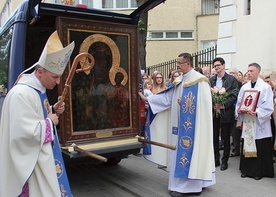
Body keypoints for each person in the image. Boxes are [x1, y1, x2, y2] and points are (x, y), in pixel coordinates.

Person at [0, 31, 75, 196]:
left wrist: (52, 110)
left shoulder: (37, 90)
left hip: (41, 157)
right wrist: (50, 122)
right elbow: (22, 134)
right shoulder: (21, 94)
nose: (57, 82)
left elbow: (35, 116)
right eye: (54, 77)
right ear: (40, 72)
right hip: (30, 165)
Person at [138, 52, 215, 196]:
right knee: (179, 154)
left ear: (188, 63)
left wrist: (185, 102)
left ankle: (187, 188)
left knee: (192, 153)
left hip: (194, 128)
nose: (177, 65)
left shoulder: (200, 81)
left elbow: (204, 105)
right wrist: (148, 99)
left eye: (180, 63)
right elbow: (167, 98)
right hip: (178, 127)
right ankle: (186, 184)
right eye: (177, 62)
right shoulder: (179, 80)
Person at [236, 63, 274, 180]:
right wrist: (239, 111)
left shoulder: (265, 87)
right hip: (247, 120)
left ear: (258, 72)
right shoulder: (244, 87)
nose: (248, 73)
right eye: (248, 71)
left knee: (259, 145)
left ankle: (259, 172)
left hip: (258, 122)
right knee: (247, 143)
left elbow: (268, 106)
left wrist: (257, 112)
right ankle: (246, 170)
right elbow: (239, 102)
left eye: (251, 71)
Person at [210, 57, 239, 171]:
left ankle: (224, 161)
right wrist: (213, 104)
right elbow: (208, 93)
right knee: (214, 136)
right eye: (215, 66)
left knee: (226, 138)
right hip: (214, 112)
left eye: (218, 65)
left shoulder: (231, 79)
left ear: (223, 65)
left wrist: (223, 105)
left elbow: (234, 94)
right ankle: (216, 159)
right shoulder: (211, 80)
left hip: (226, 112)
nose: (217, 67)